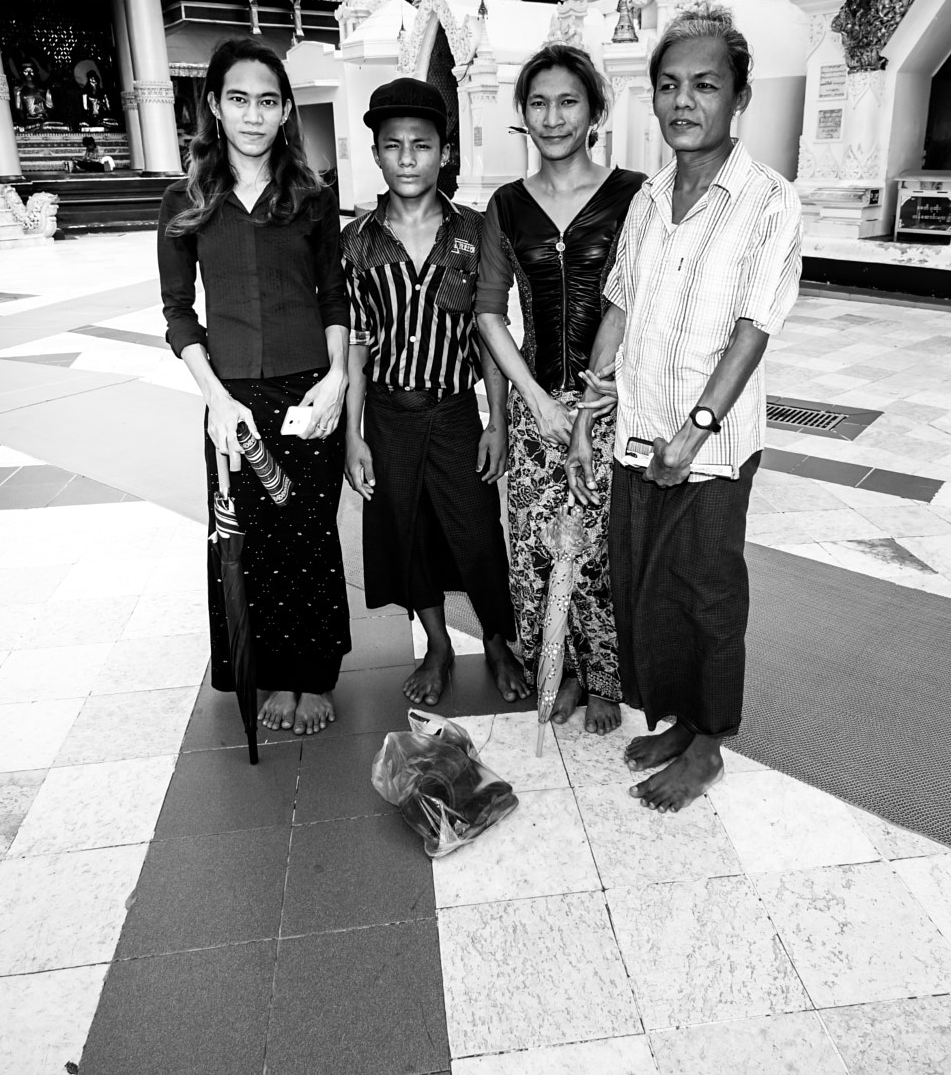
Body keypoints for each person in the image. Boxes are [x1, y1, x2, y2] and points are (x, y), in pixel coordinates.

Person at [567, 5, 802, 813]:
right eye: (668, 85)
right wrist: (593, 400)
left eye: (704, 84)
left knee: (705, 588)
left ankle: (709, 742)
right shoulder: (648, 198)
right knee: (645, 586)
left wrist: (695, 429)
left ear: (739, 96)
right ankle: (674, 717)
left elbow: (753, 328)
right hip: (637, 428)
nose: (682, 101)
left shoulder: (768, 200)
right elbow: (622, 306)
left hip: (710, 440)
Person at [158, 38, 351, 736]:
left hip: (307, 394)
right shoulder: (186, 200)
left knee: (308, 531)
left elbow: (334, 297)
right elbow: (178, 312)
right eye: (238, 98)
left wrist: (335, 381)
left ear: (286, 109)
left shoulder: (311, 196)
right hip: (229, 398)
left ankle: (314, 675)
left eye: (268, 100)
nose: (252, 114)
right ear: (214, 104)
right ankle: (266, 668)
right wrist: (216, 396)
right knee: (246, 538)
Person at [343, 77, 531, 708]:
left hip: (454, 410)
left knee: (477, 531)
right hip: (389, 412)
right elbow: (357, 344)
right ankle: (438, 644)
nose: (406, 158)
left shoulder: (476, 235)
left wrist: (496, 422)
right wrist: (353, 436)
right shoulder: (357, 243)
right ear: (376, 153)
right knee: (408, 531)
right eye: (392, 145)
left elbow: (487, 333)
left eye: (420, 145)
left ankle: (499, 642)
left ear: (444, 153)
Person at [475, 44, 645, 735]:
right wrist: (535, 402)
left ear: (596, 111)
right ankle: (567, 668)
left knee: (599, 544)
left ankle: (607, 675)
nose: (552, 117)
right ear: (523, 115)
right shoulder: (507, 206)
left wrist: (590, 399)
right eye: (538, 103)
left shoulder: (635, 194)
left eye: (568, 101)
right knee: (539, 545)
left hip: (608, 406)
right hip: (531, 403)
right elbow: (489, 312)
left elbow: (629, 301)